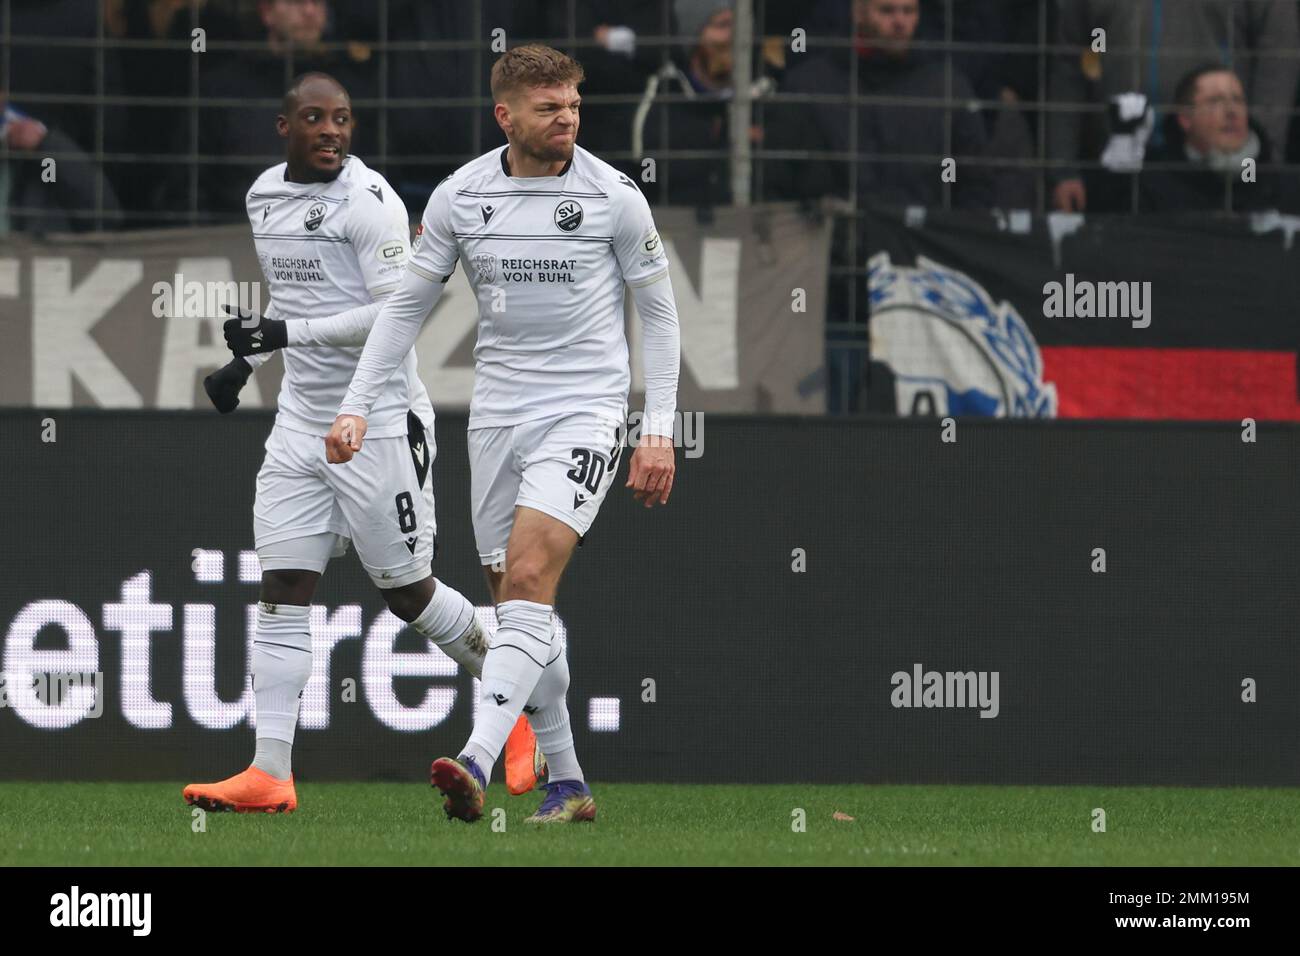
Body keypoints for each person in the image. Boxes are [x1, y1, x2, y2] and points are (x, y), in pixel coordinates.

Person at [248, 45, 681, 823]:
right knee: (518, 609)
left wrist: (657, 430)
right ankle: (571, 781)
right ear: (505, 115)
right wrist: (354, 404)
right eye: (550, 107)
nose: (569, 119)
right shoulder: (461, 195)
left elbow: (659, 312)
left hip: (584, 410)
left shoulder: (615, 197)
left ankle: (477, 756)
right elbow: (406, 308)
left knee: (527, 582)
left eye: (575, 104)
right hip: (497, 415)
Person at [186, 72, 542, 814]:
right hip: (299, 424)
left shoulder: (370, 203)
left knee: (405, 592)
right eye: (314, 119)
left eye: (342, 119)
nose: (331, 132)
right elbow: (292, 291)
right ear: (283, 127)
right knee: (283, 586)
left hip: (377, 419)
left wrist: (280, 336)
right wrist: (243, 364)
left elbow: (392, 315)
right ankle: (270, 772)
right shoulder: (263, 197)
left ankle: (518, 702)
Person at [1046, 0, 1299, 212]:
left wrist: (1260, 162)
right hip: (1118, 165)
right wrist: (1063, 169)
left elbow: (1278, 55)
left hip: (1216, 170)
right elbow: (1070, 66)